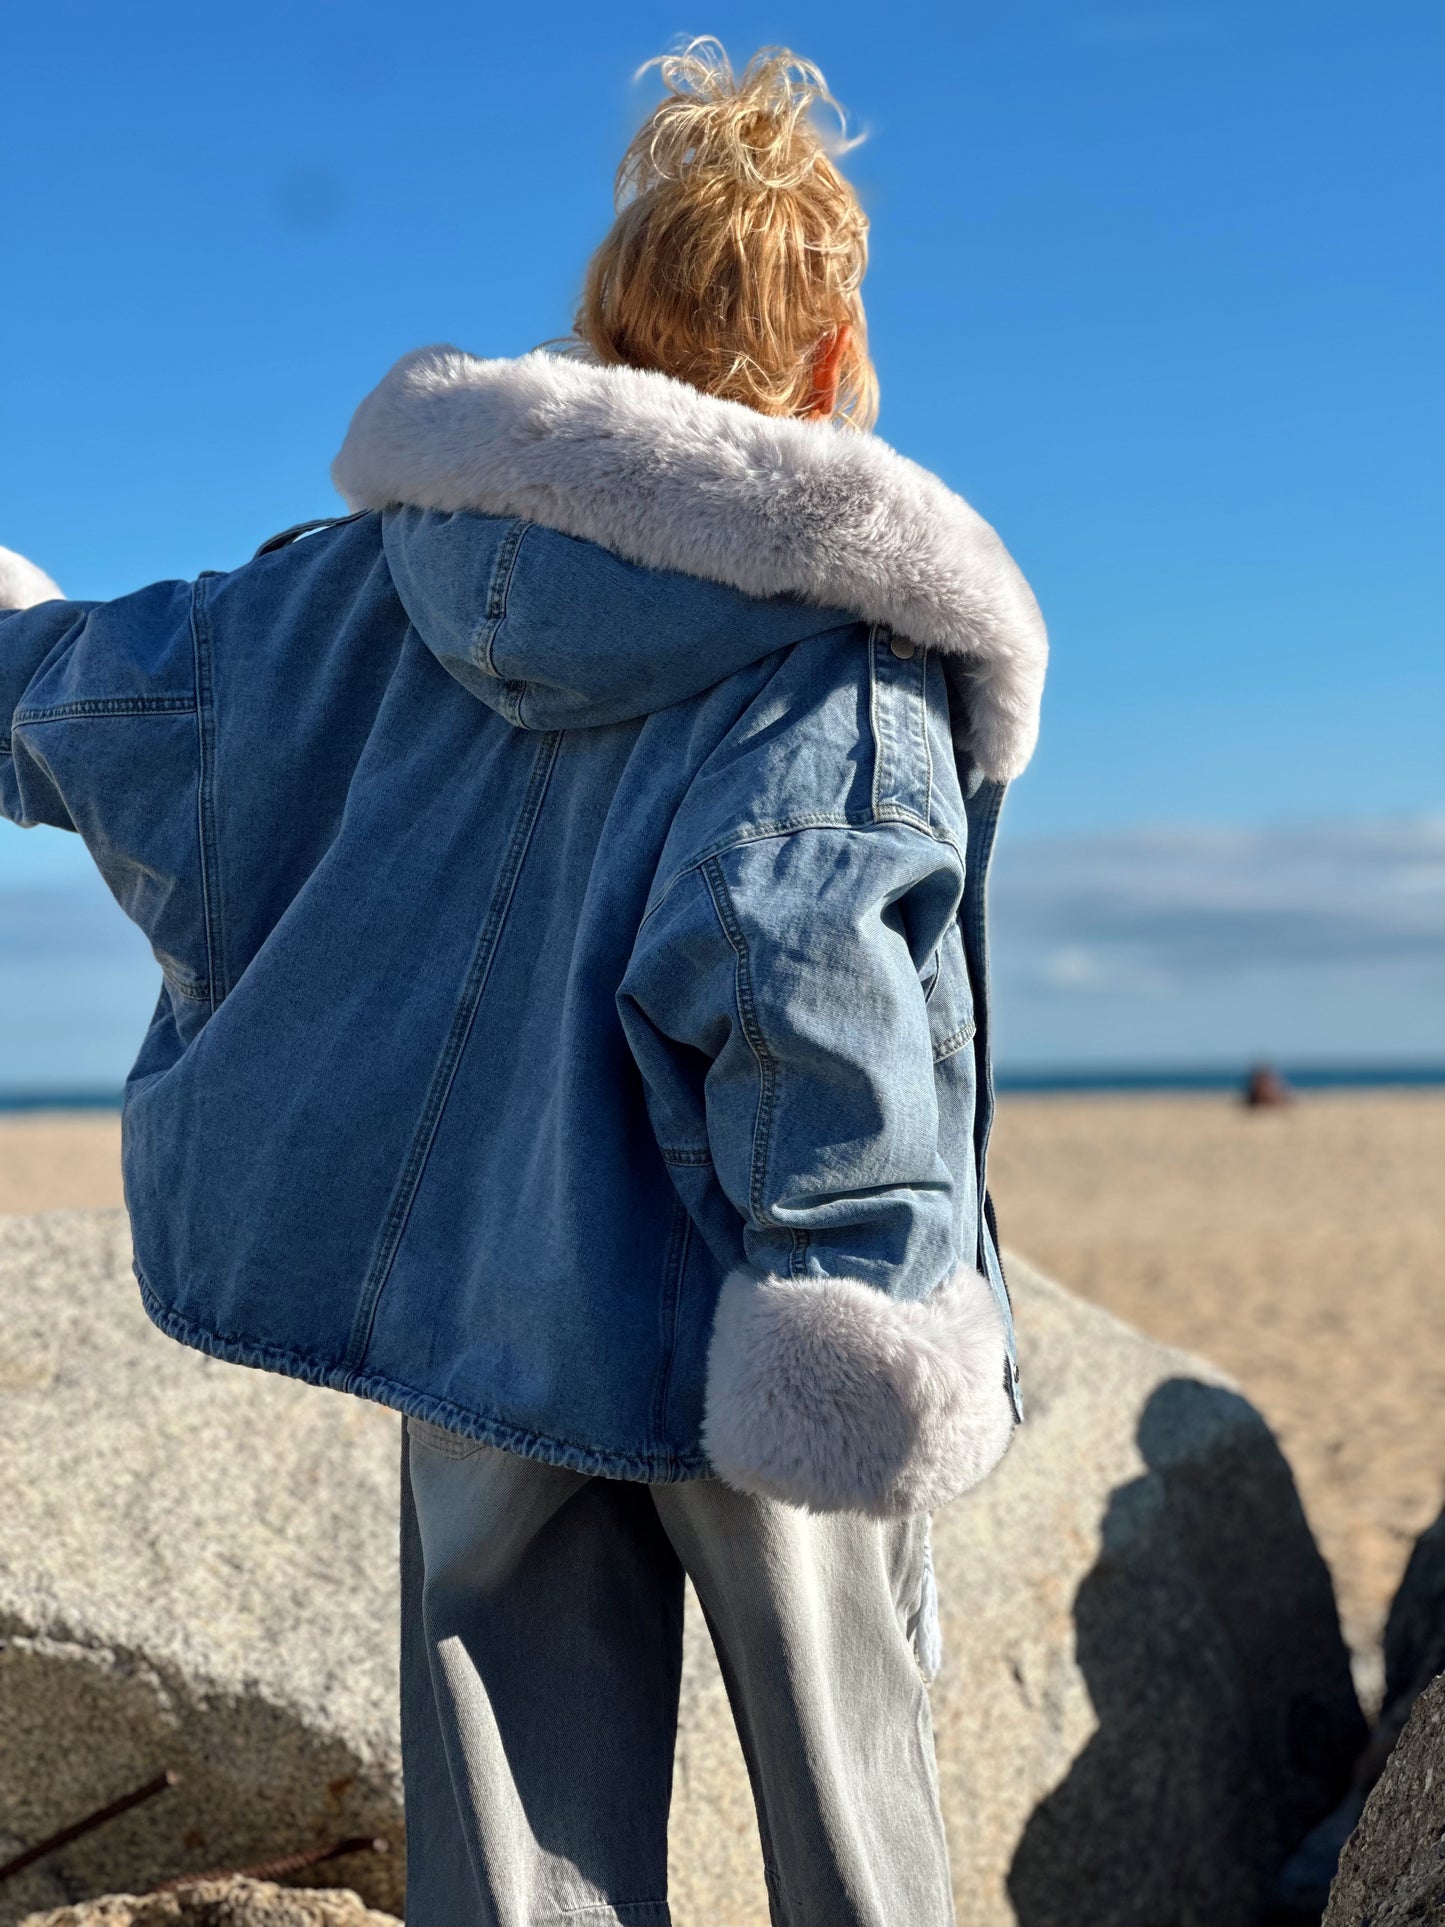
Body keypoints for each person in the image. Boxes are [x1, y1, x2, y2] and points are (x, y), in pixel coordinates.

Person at [0, 39, 1046, 1927]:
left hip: (489, 1310)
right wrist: (867, 1295)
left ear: (600, 321)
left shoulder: (337, 592)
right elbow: (805, 982)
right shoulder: (833, 659)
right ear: (828, 363)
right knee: (851, 1828)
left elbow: (93, 705)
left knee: (510, 1845)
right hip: (759, 1323)